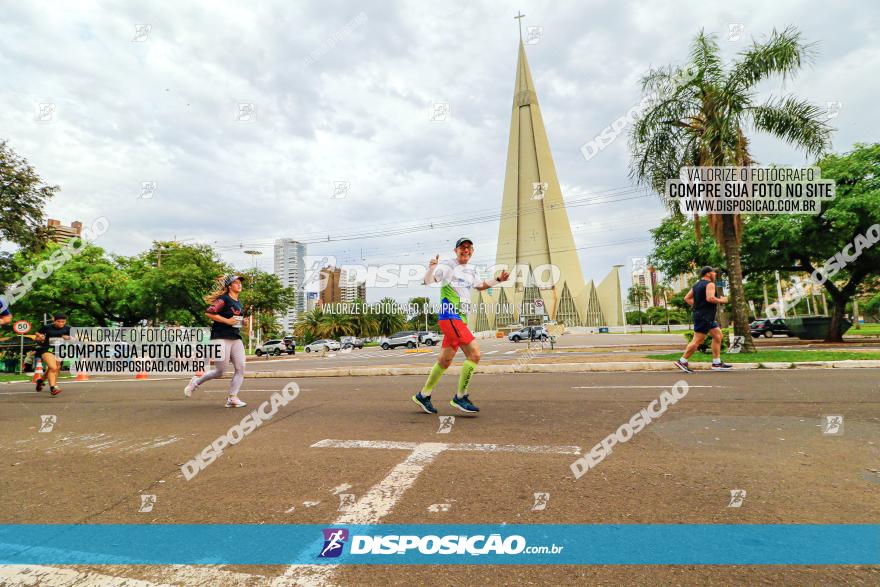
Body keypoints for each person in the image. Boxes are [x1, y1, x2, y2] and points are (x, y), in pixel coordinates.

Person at [412, 238, 509, 414]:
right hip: (450, 315)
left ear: (472, 251)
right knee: (474, 354)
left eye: (469, 248)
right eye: (462, 248)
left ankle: (423, 395)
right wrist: (431, 268)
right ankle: (460, 397)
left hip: (460, 318)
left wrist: (497, 279)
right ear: (455, 250)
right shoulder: (448, 265)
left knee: (445, 360)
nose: (466, 250)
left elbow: (480, 286)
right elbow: (428, 281)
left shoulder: (471, 270)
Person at [184, 275, 248, 407]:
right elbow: (209, 312)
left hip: (235, 337)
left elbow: (235, 321)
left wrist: (244, 322)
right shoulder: (223, 299)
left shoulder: (238, 302)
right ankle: (195, 382)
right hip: (221, 337)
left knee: (241, 368)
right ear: (229, 286)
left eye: (240, 283)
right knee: (220, 371)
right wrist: (227, 321)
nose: (239, 284)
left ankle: (232, 398)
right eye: (236, 283)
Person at [675, 266, 732, 373]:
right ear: (707, 274)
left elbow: (686, 298)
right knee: (698, 340)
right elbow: (710, 298)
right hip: (704, 316)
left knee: (718, 336)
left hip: (705, 316)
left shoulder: (696, 285)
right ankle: (682, 361)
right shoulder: (710, 284)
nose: (715, 274)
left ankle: (716, 363)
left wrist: (697, 306)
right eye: (713, 273)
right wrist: (722, 300)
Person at [34, 313, 72, 395]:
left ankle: (40, 381)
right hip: (47, 349)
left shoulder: (68, 328)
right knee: (53, 367)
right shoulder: (47, 327)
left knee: (55, 368)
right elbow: (37, 333)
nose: (61, 323)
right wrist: (40, 336)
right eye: (58, 321)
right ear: (54, 321)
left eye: (63, 322)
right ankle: (53, 388)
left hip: (60, 350)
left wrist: (69, 338)